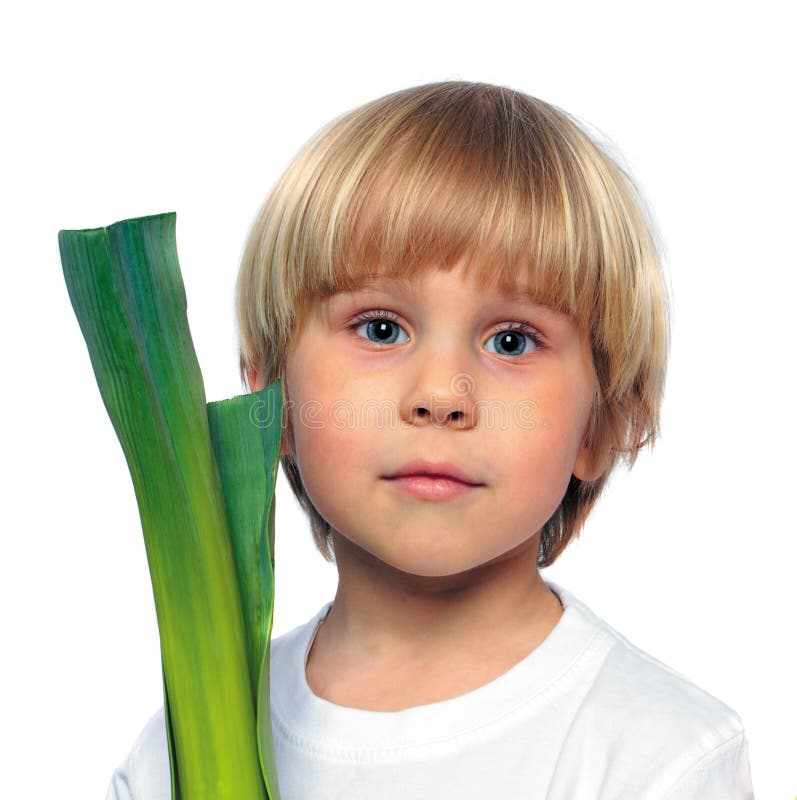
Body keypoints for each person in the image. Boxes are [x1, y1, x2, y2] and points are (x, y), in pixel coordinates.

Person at [105, 80, 755, 799]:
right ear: (271, 403)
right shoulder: (176, 752)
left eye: (512, 340)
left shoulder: (658, 760)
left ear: (598, 427)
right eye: (380, 328)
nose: (442, 396)